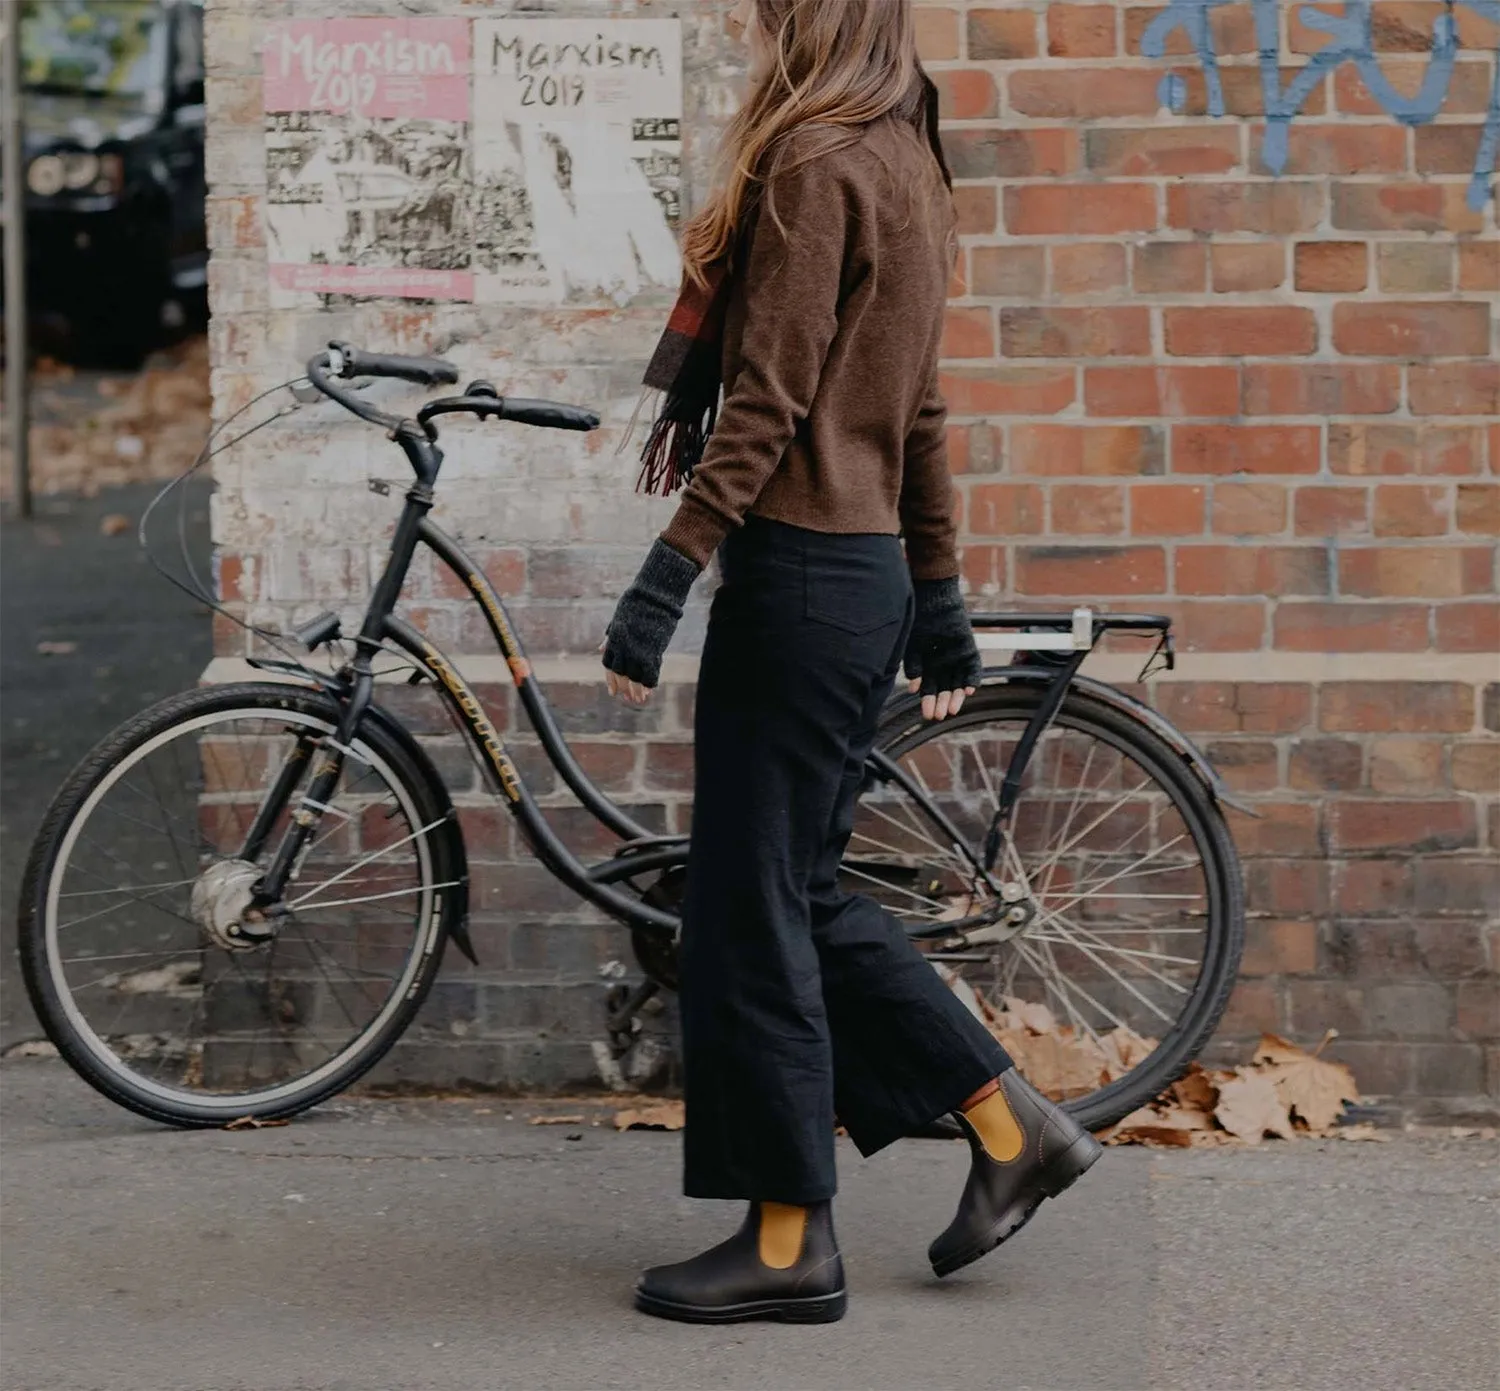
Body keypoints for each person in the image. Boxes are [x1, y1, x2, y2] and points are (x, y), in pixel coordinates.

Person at [601, 0, 1101, 1325]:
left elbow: (766, 396)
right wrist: (935, 594)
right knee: (795, 891)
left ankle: (786, 1240)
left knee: (751, 911)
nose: (749, 21)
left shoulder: (817, 163)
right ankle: (1008, 1126)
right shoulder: (909, 157)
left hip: (802, 575)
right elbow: (919, 406)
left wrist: (669, 570)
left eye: (767, 5)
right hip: (860, 574)